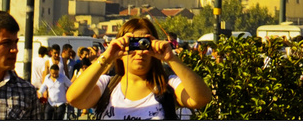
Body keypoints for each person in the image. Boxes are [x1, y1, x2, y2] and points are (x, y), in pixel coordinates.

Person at [65, 17, 211, 120]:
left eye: (145, 44)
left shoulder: (168, 85)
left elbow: (201, 99)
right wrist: (107, 57)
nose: (139, 52)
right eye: (132, 44)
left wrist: (172, 59)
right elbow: (73, 98)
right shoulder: (107, 86)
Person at [39, 47, 68, 121]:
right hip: (51, 98)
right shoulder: (48, 62)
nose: (56, 55)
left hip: (61, 86)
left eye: (58, 53)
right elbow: (44, 77)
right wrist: (43, 92)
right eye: (55, 53)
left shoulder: (63, 60)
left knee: (58, 118)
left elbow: (67, 73)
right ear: (51, 52)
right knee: (47, 117)